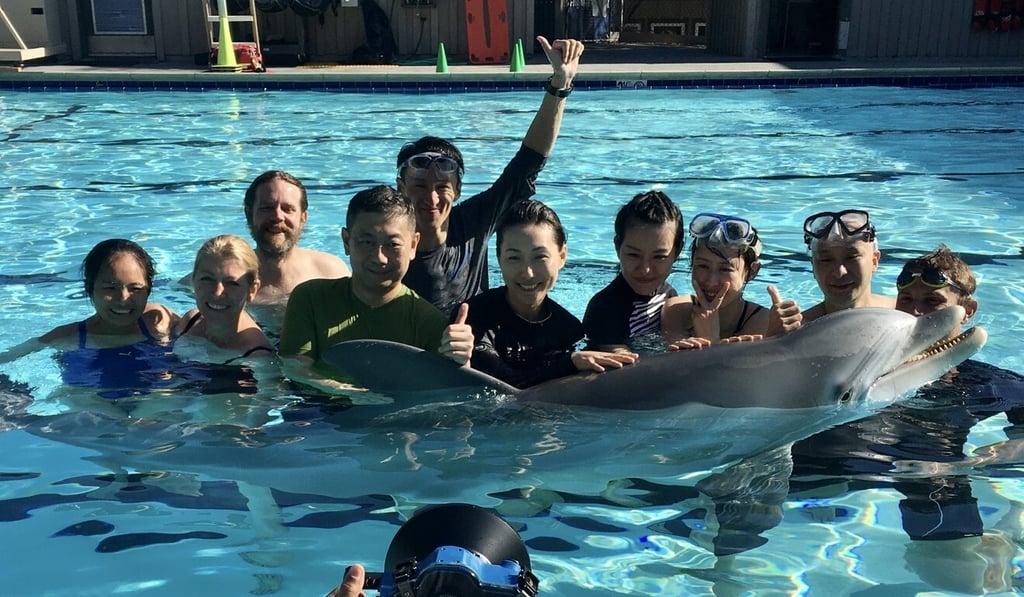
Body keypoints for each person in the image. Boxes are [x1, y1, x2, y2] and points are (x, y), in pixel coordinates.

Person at [396, 36, 585, 315]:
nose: (431, 197)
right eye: (420, 185)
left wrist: (559, 86)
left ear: (458, 190)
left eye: (441, 186)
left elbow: (528, 163)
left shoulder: (474, 222)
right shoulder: (389, 244)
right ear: (400, 188)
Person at [278, 185, 473, 391]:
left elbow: (451, 393)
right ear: (346, 242)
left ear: (413, 245)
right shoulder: (310, 299)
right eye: (367, 242)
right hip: (318, 413)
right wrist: (352, 394)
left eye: (393, 244)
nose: (379, 257)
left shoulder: (430, 324)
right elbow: (295, 370)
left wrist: (460, 360)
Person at [462, 199, 637, 389]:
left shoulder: (569, 330)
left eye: (540, 257)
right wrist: (569, 363)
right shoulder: (473, 317)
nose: (528, 273)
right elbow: (501, 382)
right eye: (514, 258)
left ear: (562, 257)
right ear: (499, 259)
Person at [0, 238, 179, 398]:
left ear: (149, 289)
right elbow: (10, 356)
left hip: (155, 398)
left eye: (135, 289)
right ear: (89, 287)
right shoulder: (68, 336)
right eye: (110, 288)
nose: (123, 299)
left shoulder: (159, 321)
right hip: (90, 400)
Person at [661, 213, 798, 345]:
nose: (711, 281)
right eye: (703, 266)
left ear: (752, 272)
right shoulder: (677, 310)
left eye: (725, 269)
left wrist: (710, 339)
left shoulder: (763, 322)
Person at [582, 190, 684, 353]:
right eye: (633, 255)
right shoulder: (604, 309)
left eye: (659, 257)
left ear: (676, 253)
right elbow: (624, 366)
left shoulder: (668, 294)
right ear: (617, 247)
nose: (645, 269)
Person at [236, 170, 351, 304]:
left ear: (303, 218)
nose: (278, 216)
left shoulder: (330, 274)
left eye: (287, 209)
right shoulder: (230, 278)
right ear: (248, 214)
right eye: (267, 208)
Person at [175, 235, 275, 363]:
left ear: (252, 290)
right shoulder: (189, 322)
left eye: (232, 283)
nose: (217, 293)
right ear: (193, 280)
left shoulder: (259, 358)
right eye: (207, 279)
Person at [801, 209, 894, 324]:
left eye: (851, 258)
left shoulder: (906, 315)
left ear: (874, 261)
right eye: (826, 260)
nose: (839, 272)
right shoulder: (795, 331)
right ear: (813, 266)